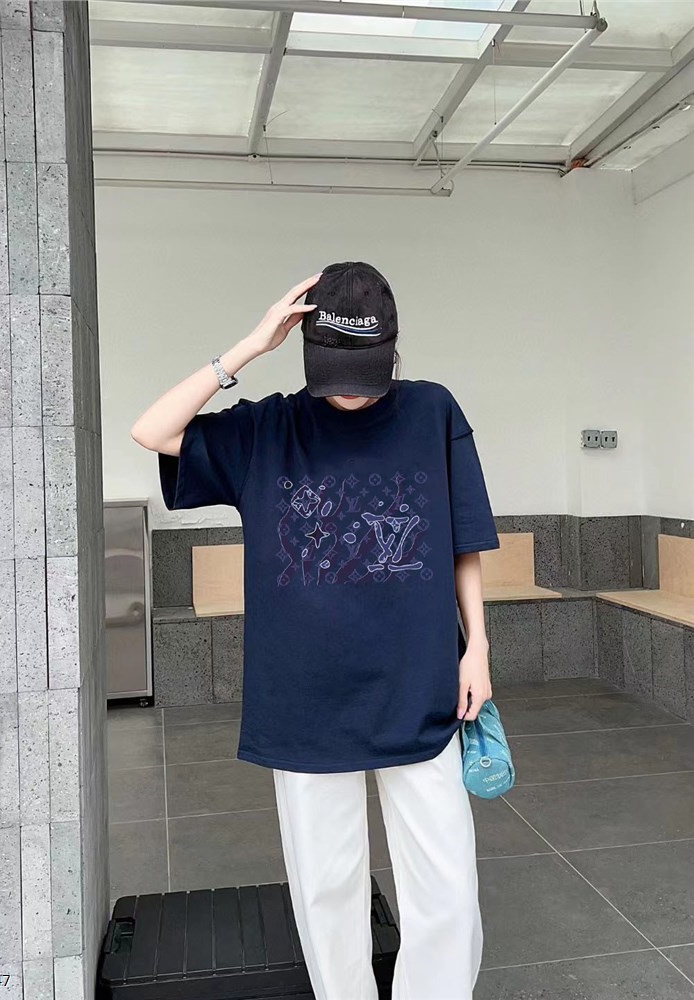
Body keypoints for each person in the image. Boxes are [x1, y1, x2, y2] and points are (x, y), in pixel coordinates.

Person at [131, 261, 500, 1000]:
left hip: (419, 683)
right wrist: (250, 344)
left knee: (449, 892)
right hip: (304, 698)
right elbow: (153, 430)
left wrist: (479, 649)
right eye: (336, 372)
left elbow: (463, 539)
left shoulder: (433, 412)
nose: (353, 390)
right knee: (327, 892)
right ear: (307, 352)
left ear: (393, 350)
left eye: (367, 371)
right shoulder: (268, 428)